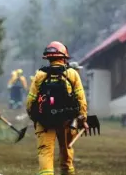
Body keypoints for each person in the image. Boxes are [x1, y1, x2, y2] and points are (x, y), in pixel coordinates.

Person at [27, 41, 88, 175]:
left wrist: (35, 117)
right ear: (64, 57)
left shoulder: (40, 75)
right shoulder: (72, 74)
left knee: (45, 152)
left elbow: (30, 100)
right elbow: (81, 99)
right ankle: (67, 172)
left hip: (44, 121)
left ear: (48, 57)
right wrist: (83, 118)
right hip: (67, 121)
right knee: (66, 149)